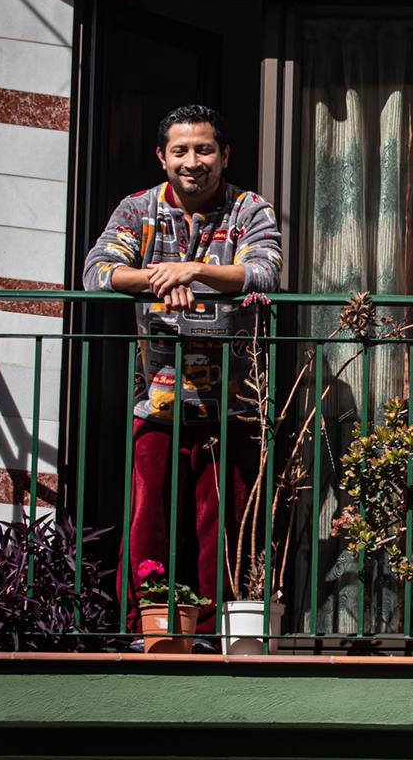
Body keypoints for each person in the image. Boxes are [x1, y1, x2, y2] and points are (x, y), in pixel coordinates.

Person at [83, 104, 282, 645]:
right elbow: (98, 272)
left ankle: (221, 639)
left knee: (224, 524)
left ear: (224, 155)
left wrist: (194, 270)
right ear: (162, 157)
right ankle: (146, 631)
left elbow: (265, 270)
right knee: (148, 517)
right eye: (180, 151)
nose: (192, 162)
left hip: (236, 399)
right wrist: (156, 277)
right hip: (158, 395)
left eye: (203, 150)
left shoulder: (248, 209)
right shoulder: (138, 209)